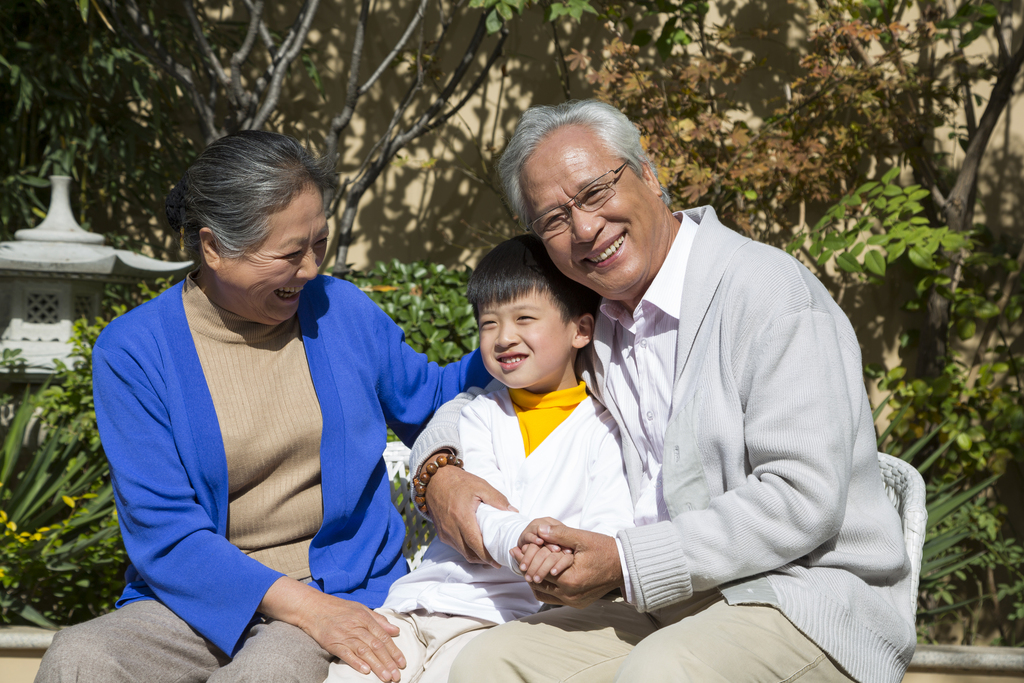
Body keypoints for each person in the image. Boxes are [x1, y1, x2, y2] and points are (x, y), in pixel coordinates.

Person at [408, 100, 918, 683]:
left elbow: (802, 498)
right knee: (489, 664)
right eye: (553, 219)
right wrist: (439, 473)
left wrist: (625, 561)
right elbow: (476, 396)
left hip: (804, 598)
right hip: (662, 606)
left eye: (596, 192)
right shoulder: (591, 320)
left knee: (663, 673)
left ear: (649, 175)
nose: (584, 228)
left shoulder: (768, 292)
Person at [35, 130, 491, 683]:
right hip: (195, 603)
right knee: (78, 659)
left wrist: (525, 340)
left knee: (264, 674)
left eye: (319, 243)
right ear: (213, 247)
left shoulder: (339, 312)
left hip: (337, 587)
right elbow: (166, 535)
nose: (312, 268)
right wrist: (307, 611)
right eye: (289, 253)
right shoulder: (134, 349)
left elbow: (433, 398)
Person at [325, 234, 634, 683]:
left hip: (501, 623)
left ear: (581, 329)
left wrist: (561, 559)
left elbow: (607, 528)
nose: (504, 337)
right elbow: (480, 510)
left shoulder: (604, 429)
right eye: (488, 323)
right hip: (412, 610)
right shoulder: (476, 413)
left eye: (524, 318)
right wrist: (527, 542)